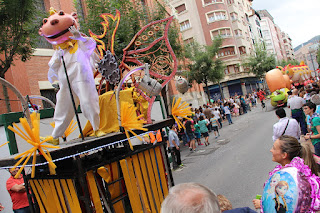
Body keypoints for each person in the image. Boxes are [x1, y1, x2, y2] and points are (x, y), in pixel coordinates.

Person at [252, 135, 319, 209]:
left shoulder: (290, 178)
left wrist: (262, 205)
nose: (271, 150)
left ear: (284, 155)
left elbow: (288, 206)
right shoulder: (296, 171)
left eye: (274, 148)